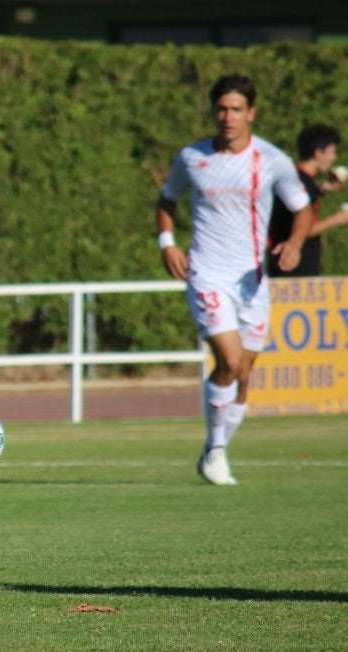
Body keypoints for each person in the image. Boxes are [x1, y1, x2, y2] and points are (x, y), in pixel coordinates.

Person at [156, 74, 312, 485]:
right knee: (227, 359)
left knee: (243, 372)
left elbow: (302, 208)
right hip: (207, 274)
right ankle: (218, 450)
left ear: (251, 113)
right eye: (221, 108)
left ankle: (212, 449)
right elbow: (168, 199)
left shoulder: (273, 160)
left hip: (252, 281)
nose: (228, 116)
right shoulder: (192, 157)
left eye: (236, 109)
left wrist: (294, 243)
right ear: (213, 112)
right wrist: (168, 242)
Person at [268, 124, 348, 277]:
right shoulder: (302, 184)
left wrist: (321, 190)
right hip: (294, 269)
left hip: (292, 267)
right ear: (318, 153)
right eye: (332, 152)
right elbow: (301, 228)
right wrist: (338, 218)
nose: (334, 158)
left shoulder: (299, 180)